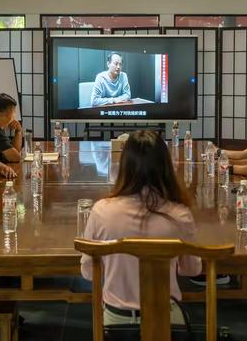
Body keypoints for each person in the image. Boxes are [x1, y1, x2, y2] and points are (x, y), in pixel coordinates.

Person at [80, 130, 201, 326]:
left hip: (116, 320)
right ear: (166, 166)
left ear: (124, 166)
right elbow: (192, 269)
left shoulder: (102, 211)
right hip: (166, 318)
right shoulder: (180, 213)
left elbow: (88, 271)